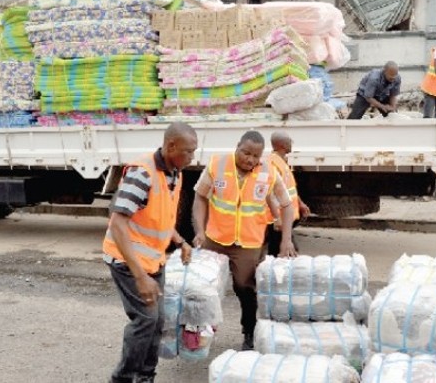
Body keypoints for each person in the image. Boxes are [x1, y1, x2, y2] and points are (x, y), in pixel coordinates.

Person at [103, 123, 198, 383]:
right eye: (188, 152)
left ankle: (145, 377)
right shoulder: (142, 173)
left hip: (153, 260)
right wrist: (140, 276)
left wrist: (180, 242)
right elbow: (118, 223)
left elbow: (162, 219)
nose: (192, 158)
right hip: (127, 259)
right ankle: (123, 379)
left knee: (158, 322)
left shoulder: (174, 173)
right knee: (146, 319)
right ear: (171, 146)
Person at [192, 131, 297, 350]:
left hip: (249, 243)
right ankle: (197, 334)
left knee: (245, 288)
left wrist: (286, 240)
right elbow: (200, 197)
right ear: (237, 147)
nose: (249, 159)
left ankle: (249, 332)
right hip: (215, 238)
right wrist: (199, 231)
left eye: (255, 156)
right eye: (245, 152)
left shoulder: (268, 171)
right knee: (203, 287)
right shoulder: (217, 164)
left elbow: (287, 205)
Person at [264, 132, 311, 257]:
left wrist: (300, 203)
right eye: (289, 142)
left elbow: (289, 189)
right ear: (283, 145)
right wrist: (277, 218)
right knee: (282, 251)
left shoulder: (281, 162)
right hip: (280, 217)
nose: (291, 145)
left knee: (283, 250)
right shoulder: (272, 163)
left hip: (285, 216)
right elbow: (271, 194)